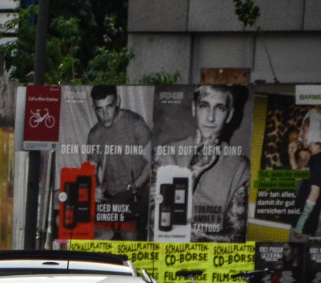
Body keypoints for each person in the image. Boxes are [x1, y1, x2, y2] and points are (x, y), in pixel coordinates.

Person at [155, 85, 250, 242]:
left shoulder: (240, 167)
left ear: (230, 115)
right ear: (194, 109)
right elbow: (156, 223)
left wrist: (183, 234)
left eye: (220, 109)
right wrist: (193, 171)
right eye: (204, 106)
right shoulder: (166, 153)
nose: (210, 117)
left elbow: (235, 236)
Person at [87, 85, 152, 240]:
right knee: (88, 228)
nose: (105, 114)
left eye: (109, 107)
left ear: (118, 102)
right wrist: (95, 188)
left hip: (138, 192)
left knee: (129, 232)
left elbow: (153, 161)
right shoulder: (95, 135)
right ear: (93, 108)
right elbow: (90, 170)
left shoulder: (135, 123)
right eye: (99, 109)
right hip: (112, 197)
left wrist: (135, 185)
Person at [292, 109, 321, 240]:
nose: (300, 137)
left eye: (303, 131)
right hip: (315, 209)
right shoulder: (305, 162)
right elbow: (298, 191)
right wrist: (293, 158)